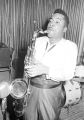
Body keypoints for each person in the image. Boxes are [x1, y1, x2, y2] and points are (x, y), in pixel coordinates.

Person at [23, 9, 78, 120]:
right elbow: (28, 63)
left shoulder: (70, 46)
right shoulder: (38, 41)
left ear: (65, 29)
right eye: (51, 21)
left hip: (51, 91)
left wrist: (46, 70)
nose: (51, 23)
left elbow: (68, 74)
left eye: (57, 22)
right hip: (31, 88)